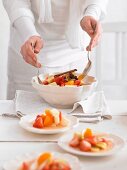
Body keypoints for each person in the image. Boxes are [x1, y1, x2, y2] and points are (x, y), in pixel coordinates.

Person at [3, 0, 108, 99]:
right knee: (21, 114)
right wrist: (28, 33)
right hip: (28, 53)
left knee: (73, 115)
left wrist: (92, 13)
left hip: (76, 54)